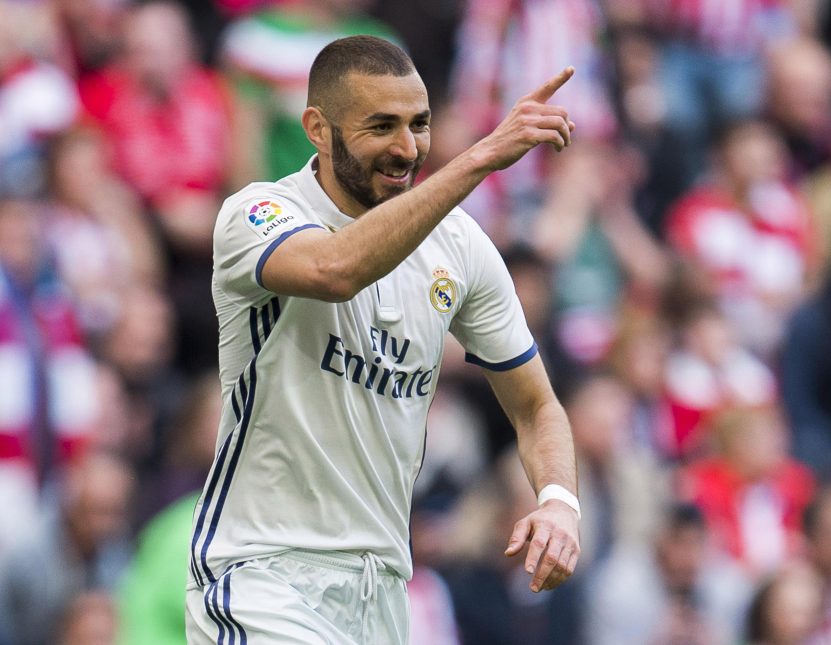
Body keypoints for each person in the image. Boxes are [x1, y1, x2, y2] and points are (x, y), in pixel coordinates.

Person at [185, 35, 581, 644]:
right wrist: (476, 159)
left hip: (384, 589)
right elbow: (334, 270)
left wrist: (558, 501)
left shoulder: (459, 245)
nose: (407, 149)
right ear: (318, 128)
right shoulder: (258, 214)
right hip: (264, 577)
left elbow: (536, 405)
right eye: (382, 126)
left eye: (420, 124)